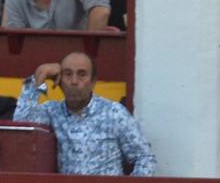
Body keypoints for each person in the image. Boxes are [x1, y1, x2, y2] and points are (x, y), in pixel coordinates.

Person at [14, 52, 156, 175]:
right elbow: (21, 128)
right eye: (67, 74)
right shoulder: (51, 111)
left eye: (82, 75)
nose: (74, 81)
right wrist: (38, 79)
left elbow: (144, 157)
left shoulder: (114, 113)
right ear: (58, 80)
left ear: (93, 82)